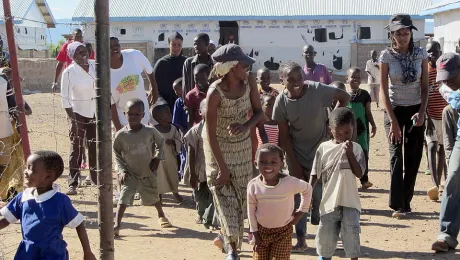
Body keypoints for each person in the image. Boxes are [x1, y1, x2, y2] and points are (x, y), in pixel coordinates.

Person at [273, 62, 350, 252]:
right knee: (298, 196)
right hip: (296, 151)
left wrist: (333, 124)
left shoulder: (316, 90)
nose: (297, 82)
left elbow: (344, 97)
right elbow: (284, 136)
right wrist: (294, 163)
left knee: (321, 193)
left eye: (299, 77)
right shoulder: (281, 102)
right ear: (282, 81)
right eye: (291, 79)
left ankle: (326, 232)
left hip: (321, 149)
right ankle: (301, 239)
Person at [203, 44, 264, 260]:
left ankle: (225, 237)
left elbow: (259, 113)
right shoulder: (215, 94)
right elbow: (210, 135)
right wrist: (222, 168)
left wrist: (246, 127)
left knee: (240, 202)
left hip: (242, 149)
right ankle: (233, 250)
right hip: (218, 151)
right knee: (224, 197)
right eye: (243, 65)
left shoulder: (249, 82)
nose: (247, 68)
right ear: (230, 67)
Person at [0, 151, 96, 260]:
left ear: (48, 176)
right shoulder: (23, 197)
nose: (25, 172)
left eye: (31, 169)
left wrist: (87, 252)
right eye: (26, 167)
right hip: (27, 253)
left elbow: (78, 224)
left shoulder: (60, 201)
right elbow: (5, 220)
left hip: (52, 254)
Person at [380, 14, 429, 218]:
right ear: (392, 35)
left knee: (413, 156)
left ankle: (406, 202)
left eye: (406, 33)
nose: (403, 37)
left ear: (411, 33)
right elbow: (383, 89)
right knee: (396, 156)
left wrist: (422, 112)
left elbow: (425, 87)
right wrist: (393, 121)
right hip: (394, 109)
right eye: (398, 33)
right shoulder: (386, 56)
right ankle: (397, 204)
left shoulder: (421, 54)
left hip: (416, 109)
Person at [310, 108, 366, 260]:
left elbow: (359, 173)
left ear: (353, 129)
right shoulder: (324, 148)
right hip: (329, 202)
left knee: (351, 239)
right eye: (339, 133)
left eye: (347, 133)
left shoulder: (356, 149)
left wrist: (349, 154)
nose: (343, 137)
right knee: (326, 240)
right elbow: (315, 173)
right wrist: (308, 195)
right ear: (330, 130)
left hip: (350, 202)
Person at [113, 99, 172, 236]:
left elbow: (161, 142)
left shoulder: (149, 131)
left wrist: (157, 157)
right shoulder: (121, 135)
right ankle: (117, 224)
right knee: (123, 199)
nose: (133, 117)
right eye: (130, 114)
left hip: (147, 171)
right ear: (124, 114)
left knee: (153, 196)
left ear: (143, 115)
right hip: (130, 173)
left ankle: (161, 215)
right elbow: (117, 153)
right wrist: (121, 170)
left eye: (137, 114)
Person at [248, 144, 312, 260]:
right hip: (261, 232)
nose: (268, 165)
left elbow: (307, 189)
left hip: (283, 232)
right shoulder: (253, 185)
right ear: (256, 163)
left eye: (273, 162)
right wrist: (255, 233)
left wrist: (301, 212)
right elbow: (251, 211)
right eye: (263, 162)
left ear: (282, 164)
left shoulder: (289, 183)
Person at [60, 42, 97, 195]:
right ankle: (73, 182)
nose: (83, 54)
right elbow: (65, 99)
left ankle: (96, 179)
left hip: (95, 111)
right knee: (76, 147)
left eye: (84, 50)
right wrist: (72, 121)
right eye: (78, 52)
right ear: (72, 56)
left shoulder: (96, 66)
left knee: (94, 146)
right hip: (77, 113)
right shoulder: (69, 73)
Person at [431, 53, 460, 252]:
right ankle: (447, 233)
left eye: (451, 76)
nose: (447, 81)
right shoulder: (455, 95)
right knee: (453, 177)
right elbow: (450, 111)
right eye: (444, 78)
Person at [110, 37, 159, 132]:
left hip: (143, 115)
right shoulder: (103, 73)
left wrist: (154, 88)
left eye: (117, 45)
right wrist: (118, 128)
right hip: (123, 119)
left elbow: (149, 70)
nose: (115, 48)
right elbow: (110, 105)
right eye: (110, 47)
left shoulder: (133, 55)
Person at [184, 99, 215, 228]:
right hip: (199, 168)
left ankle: (209, 219)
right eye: (206, 108)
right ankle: (200, 213)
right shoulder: (196, 130)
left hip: (214, 168)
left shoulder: (219, 128)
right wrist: (192, 173)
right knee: (200, 195)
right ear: (200, 112)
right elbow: (191, 152)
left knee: (213, 195)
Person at [346, 67, 377, 189]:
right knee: (348, 153)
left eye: (358, 78)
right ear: (347, 78)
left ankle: (364, 179)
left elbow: (368, 112)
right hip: (347, 131)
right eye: (352, 77)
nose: (355, 80)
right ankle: (349, 180)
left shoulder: (364, 95)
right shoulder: (343, 94)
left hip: (362, 130)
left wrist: (373, 125)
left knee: (363, 153)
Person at [425, 41, 448, 202]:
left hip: (446, 117)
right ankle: (434, 183)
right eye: (429, 52)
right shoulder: (424, 70)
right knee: (432, 146)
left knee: (442, 150)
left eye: (435, 52)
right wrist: (425, 116)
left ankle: (441, 185)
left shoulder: (446, 69)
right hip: (430, 116)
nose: (432, 55)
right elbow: (422, 94)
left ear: (440, 52)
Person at [0, 68, 24, 201]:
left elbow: (13, 106)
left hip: (7, 132)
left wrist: (20, 127)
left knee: (6, 164)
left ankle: (7, 193)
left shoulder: (3, 81)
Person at [153, 105, 183, 203]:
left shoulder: (173, 129)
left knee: (172, 175)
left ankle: (175, 192)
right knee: (159, 176)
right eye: (167, 114)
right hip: (158, 160)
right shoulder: (153, 130)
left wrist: (174, 142)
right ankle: (159, 194)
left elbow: (179, 140)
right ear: (158, 118)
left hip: (170, 157)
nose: (170, 115)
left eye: (170, 113)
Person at [153, 32, 187, 111]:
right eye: (173, 45)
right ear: (169, 45)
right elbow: (153, 85)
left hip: (183, 103)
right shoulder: (162, 63)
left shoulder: (186, 62)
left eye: (179, 45)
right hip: (165, 105)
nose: (176, 48)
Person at [182, 33, 213, 98]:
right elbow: (186, 86)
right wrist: (187, 104)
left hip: (211, 100)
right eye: (194, 44)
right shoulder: (189, 63)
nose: (196, 46)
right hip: (194, 101)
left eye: (198, 44)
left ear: (207, 44)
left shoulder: (214, 63)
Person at [185, 64, 210, 129]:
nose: (198, 81)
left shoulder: (214, 91)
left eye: (202, 78)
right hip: (198, 129)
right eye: (196, 79)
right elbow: (190, 117)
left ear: (208, 76)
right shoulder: (190, 95)